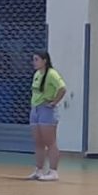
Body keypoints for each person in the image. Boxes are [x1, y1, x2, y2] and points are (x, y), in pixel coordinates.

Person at [28, 52, 66, 181]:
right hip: (35, 109)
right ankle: (39, 170)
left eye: (36, 59)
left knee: (50, 142)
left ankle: (53, 171)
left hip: (46, 110)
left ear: (45, 60)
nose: (34, 62)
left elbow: (62, 88)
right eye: (33, 59)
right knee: (38, 141)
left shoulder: (52, 74)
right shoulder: (37, 74)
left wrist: (54, 102)